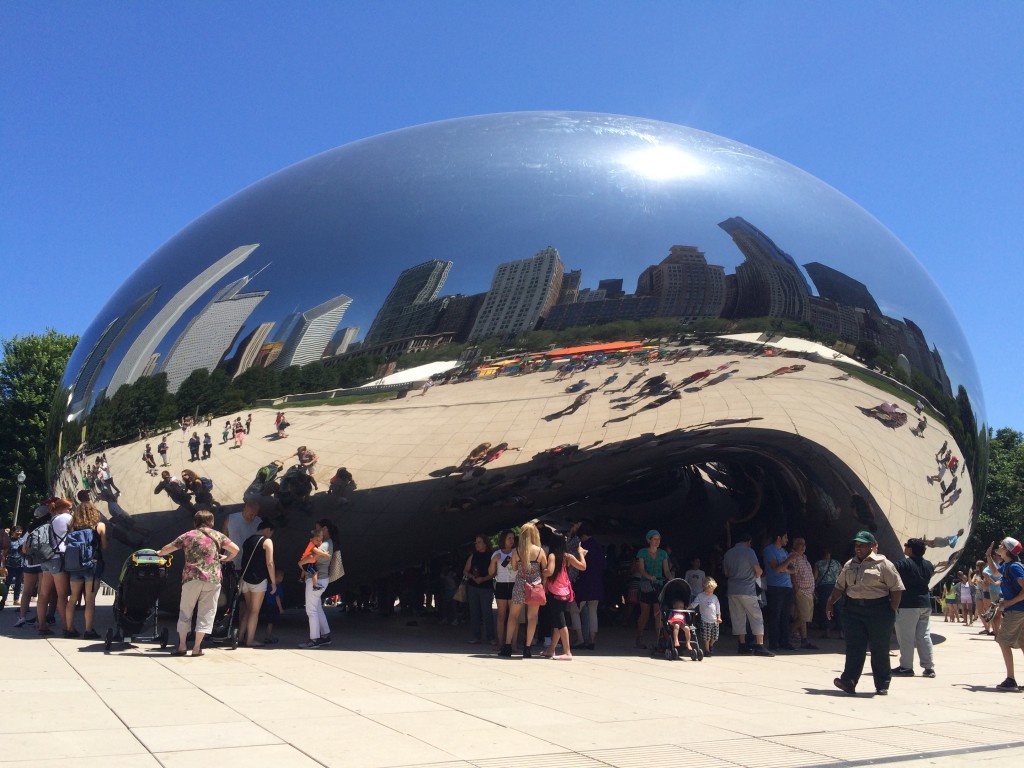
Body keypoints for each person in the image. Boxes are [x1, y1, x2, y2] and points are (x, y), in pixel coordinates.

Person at [826, 531, 904, 695]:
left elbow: (896, 588)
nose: (858, 548)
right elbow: (840, 586)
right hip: (853, 611)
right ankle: (849, 681)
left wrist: (891, 609)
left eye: (862, 545)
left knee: (879, 649)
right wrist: (830, 602)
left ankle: (882, 683)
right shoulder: (849, 565)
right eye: (856, 545)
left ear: (871, 546)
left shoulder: (884, 564)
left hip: (879, 611)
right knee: (854, 647)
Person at [157, 509, 239, 657]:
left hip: (191, 578)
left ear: (195, 521)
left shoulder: (189, 535)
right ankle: (196, 647)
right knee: (206, 613)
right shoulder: (217, 535)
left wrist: (158, 553)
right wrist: (226, 558)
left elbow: (167, 549)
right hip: (212, 579)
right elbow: (235, 549)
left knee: (185, 612)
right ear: (211, 522)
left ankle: (182, 646)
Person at [499, 522, 547, 658]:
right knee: (532, 618)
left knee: (513, 616)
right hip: (535, 586)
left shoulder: (517, 551)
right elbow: (545, 569)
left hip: (520, 584)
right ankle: (527, 648)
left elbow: (514, 568)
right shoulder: (540, 551)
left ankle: (507, 646)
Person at [722, 530, 772, 656]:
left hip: (733, 589)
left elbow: (726, 573)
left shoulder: (728, 553)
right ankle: (759, 645)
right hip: (747, 589)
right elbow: (758, 571)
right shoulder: (749, 552)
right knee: (756, 616)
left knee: (738, 617)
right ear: (749, 542)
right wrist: (759, 572)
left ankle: (742, 644)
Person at [892, 538, 936, 678]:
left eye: (906, 545)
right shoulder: (929, 565)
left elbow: (890, 570)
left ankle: (906, 667)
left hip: (908, 605)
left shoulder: (903, 564)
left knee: (906, 636)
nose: (904, 547)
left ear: (910, 549)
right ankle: (928, 667)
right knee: (924, 636)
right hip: (925, 604)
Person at [63, 501, 107, 640]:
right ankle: (88, 630)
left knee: (73, 599)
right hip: (92, 565)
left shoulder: (72, 527)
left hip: (75, 565)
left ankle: (69, 629)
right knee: (90, 599)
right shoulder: (98, 526)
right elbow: (104, 546)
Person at [986, 537, 1024, 690]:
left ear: (1007, 550)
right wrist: (989, 557)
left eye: (1001, 545)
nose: (999, 547)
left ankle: (1010, 679)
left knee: (1003, 641)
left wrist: (1009, 602)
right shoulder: (1007, 565)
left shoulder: (1014, 567)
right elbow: (994, 572)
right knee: (1022, 643)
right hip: (1018, 609)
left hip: (1017, 610)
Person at [541, 532, 586, 659]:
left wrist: (542, 571)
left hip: (554, 593)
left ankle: (567, 652)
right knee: (557, 622)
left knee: (561, 623)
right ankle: (551, 650)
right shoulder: (568, 556)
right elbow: (583, 567)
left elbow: (549, 572)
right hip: (566, 593)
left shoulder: (552, 556)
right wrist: (581, 554)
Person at [35, 498, 73, 636]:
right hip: (58, 559)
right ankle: (67, 627)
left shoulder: (51, 519)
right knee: (62, 594)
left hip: (46, 558)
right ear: (63, 508)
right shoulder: (67, 518)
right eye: (69, 508)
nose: (70, 510)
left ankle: (42, 625)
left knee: (44, 594)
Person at [237, 519, 276, 648]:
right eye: (271, 533)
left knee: (248, 609)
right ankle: (250, 640)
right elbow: (269, 563)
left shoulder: (248, 541)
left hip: (245, 579)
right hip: (258, 580)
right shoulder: (267, 541)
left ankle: (240, 637)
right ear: (268, 530)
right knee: (254, 611)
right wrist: (273, 582)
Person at [299, 519, 336, 648]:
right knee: (317, 608)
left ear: (325, 529)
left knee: (311, 610)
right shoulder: (328, 543)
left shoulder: (324, 545)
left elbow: (313, 556)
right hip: (323, 579)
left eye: (318, 529)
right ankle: (325, 636)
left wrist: (301, 563)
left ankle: (314, 639)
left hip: (316, 578)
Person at [635, 530, 672, 649]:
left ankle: (660, 639)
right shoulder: (642, 552)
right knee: (645, 613)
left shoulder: (663, 554)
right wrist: (649, 577)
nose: (657, 542)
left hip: (658, 585)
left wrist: (671, 579)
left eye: (659, 539)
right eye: (655, 539)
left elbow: (666, 570)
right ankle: (639, 637)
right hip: (646, 585)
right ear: (649, 540)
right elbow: (641, 569)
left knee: (658, 613)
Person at [763, 530, 797, 651]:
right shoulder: (769, 550)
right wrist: (789, 559)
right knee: (775, 615)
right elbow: (777, 568)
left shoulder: (784, 551)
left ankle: (785, 641)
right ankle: (773, 643)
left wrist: (786, 568)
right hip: (775, 587)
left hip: (787, 587)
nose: (787, 540)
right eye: (785, 537)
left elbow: (792, 569)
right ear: (778, 538)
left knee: (785, 616)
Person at [573, 523, 605, 650]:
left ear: (583, 535)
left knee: (574, 610)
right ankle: (592, 640)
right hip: (596, 583)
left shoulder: (582, 546)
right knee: (593, 612)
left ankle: (580, 639)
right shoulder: (599, 546)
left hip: (583, 584)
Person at [489, 530, 517, 651]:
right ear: (503, 540)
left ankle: (513, 643)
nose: (511, 540)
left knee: (513, 616)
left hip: (514, 584)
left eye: (512, 538)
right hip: (501, 585)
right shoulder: (497, 553)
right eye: (509, 538)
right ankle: (500, 642)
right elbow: (490, 573)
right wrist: (494, 560)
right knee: (501, 616)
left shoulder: (517, 552)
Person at [789, 537, 817, 649]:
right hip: (801, 591)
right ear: (795, 546)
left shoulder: (804, 557)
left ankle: (803, 639)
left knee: (806, 617)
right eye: (801, 544)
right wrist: (796, 589)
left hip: (809, 591)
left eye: (804, 544)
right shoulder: (793, 557)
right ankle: (791, 632)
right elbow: (793, 573)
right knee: (803, 616)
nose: (803, 546)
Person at [690, 577, 723, 656]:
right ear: (705, 588)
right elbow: (694, 604)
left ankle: (711, 645)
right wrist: (687, 607)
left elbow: (718, 608)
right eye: (708, 591)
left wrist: (719, 617)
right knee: (706, 637)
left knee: (715, 636)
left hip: (714, 620)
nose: (710, 592)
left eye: (712, 590)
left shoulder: (714, 597)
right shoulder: (700, 596)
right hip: (705, 620)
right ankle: (707, 650)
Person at [813, 547, 842, 638]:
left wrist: (813, 587)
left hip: (824, 588)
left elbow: (815, 577)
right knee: (838, 610)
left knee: (826, 609)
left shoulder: (818, 564)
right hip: (836, 587)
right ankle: (841, 632)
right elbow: (842, 574)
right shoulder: (837, 563)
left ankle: (827, 631)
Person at [260, 568, 286, 644]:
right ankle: (268, 637)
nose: (282, 579)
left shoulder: (270, 585)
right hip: (273, 606)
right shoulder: (275, 586)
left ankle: (269, 636)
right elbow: (277, 597)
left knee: (271, 622)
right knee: (270, 622)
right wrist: (280, 608)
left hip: (269, 605)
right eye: (280, 577)